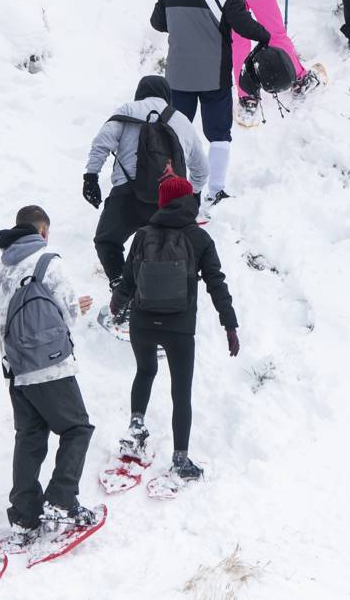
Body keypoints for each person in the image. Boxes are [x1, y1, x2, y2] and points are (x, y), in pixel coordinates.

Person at [110, 173, 239, 485]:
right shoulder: (199, 238)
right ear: (188, 199)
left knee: (144, 372)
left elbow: (128, 276)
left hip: (142, 321)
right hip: (179, 328)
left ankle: (137, 429)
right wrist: (230, 324)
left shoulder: (143, 234)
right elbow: (216, 283)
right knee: (181, 392)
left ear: (162, 201)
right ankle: (180, 459)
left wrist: (118, 301)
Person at [0, 207, 99, 537]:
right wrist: (72, 311)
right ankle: (62, 500)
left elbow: (1, 321)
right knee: (77, 428)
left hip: (17, 367)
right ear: (43, 229)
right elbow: (68, 311)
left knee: (30, 438)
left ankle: (24, 514)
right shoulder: (47, 260)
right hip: (51, 364)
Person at [150, 0, 273, 202]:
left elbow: (157, 23)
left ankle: (174, 191)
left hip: (178, 75)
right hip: (214, 75)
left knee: (175, 132)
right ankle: (215, 190)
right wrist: (265, 35)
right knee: (218, 133)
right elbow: (243, 25)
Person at [84, 73, 210, 292]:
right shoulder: (181, 120)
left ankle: (121, 289)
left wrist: (91, 177)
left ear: (139, 92)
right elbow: (201, 168)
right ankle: (169, 296)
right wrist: (195, 194)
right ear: (167, 96)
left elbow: (102, 143)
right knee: (169, 249)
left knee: (107, 241)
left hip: (127, 196)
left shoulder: (128, 110)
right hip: (170, 202)